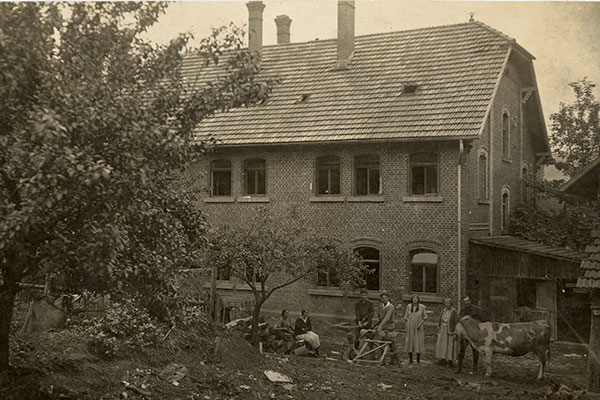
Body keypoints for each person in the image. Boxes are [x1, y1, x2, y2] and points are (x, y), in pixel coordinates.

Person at [456, 295, 485, 374]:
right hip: (465, 334)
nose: (466, 303)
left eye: (467, 301)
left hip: (473, 334)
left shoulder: (477, 310)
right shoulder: (462, 311)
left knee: (475, 350)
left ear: (470, 301)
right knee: (462, 350)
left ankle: (475, 368)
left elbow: (481, 321)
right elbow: (460, 321)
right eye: (465, 302)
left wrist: (471, 319)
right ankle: (459, 368)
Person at [435, 297, 458, 366]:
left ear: (451, 304)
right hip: (443, 329)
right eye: (446, 303)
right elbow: (440, 319)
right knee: (442, 344)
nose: (447, 305)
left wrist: (455, 331)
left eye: (448, 303)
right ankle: (443, 359)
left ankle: (450, 361)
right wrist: (439, 327)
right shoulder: (444, 310)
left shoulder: (454, 312)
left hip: (450, 330)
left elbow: (456, 322)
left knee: (450, 345)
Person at [404, 294, 427, 364]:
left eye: (416, 299)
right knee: (410, 342)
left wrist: (420, 324)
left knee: (418, 342)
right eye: (413, 299)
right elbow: (405, 316)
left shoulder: (422, 307)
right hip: (410, 327)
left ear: (418, 300)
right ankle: (410, 359)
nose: (415, 300)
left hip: (418, 327)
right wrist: (407, 324)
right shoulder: (409, 306)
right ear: (411, 300)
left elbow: (425, 317)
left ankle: (418, 359)